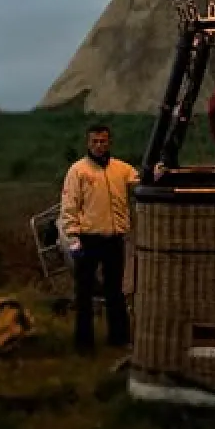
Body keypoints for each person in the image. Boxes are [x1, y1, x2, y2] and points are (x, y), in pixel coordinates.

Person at [58, 124, 138, 355]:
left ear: (109, 142)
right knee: (84, 293)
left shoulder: (122, 169)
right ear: (88, 143)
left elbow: (141, 181)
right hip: (88, 239)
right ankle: (84, 344)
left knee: (115, 291)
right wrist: (73, 239)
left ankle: (119, 338)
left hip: (114, 238)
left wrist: (158, 172)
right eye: (95, 141)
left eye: (103, 141)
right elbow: (69, 206)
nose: (99, 145)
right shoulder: (78, 171)